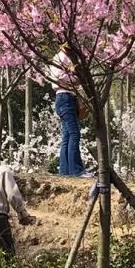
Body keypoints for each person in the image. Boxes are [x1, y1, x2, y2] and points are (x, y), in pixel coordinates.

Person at [48, 44, 91, 177]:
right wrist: (76, 76)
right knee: (74, 133)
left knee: (67, 136)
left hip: (68, 97)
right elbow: (61, 78)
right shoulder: (59, 58)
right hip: (64, 97)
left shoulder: (68, 58)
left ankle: (65, 171)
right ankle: (76, 170)